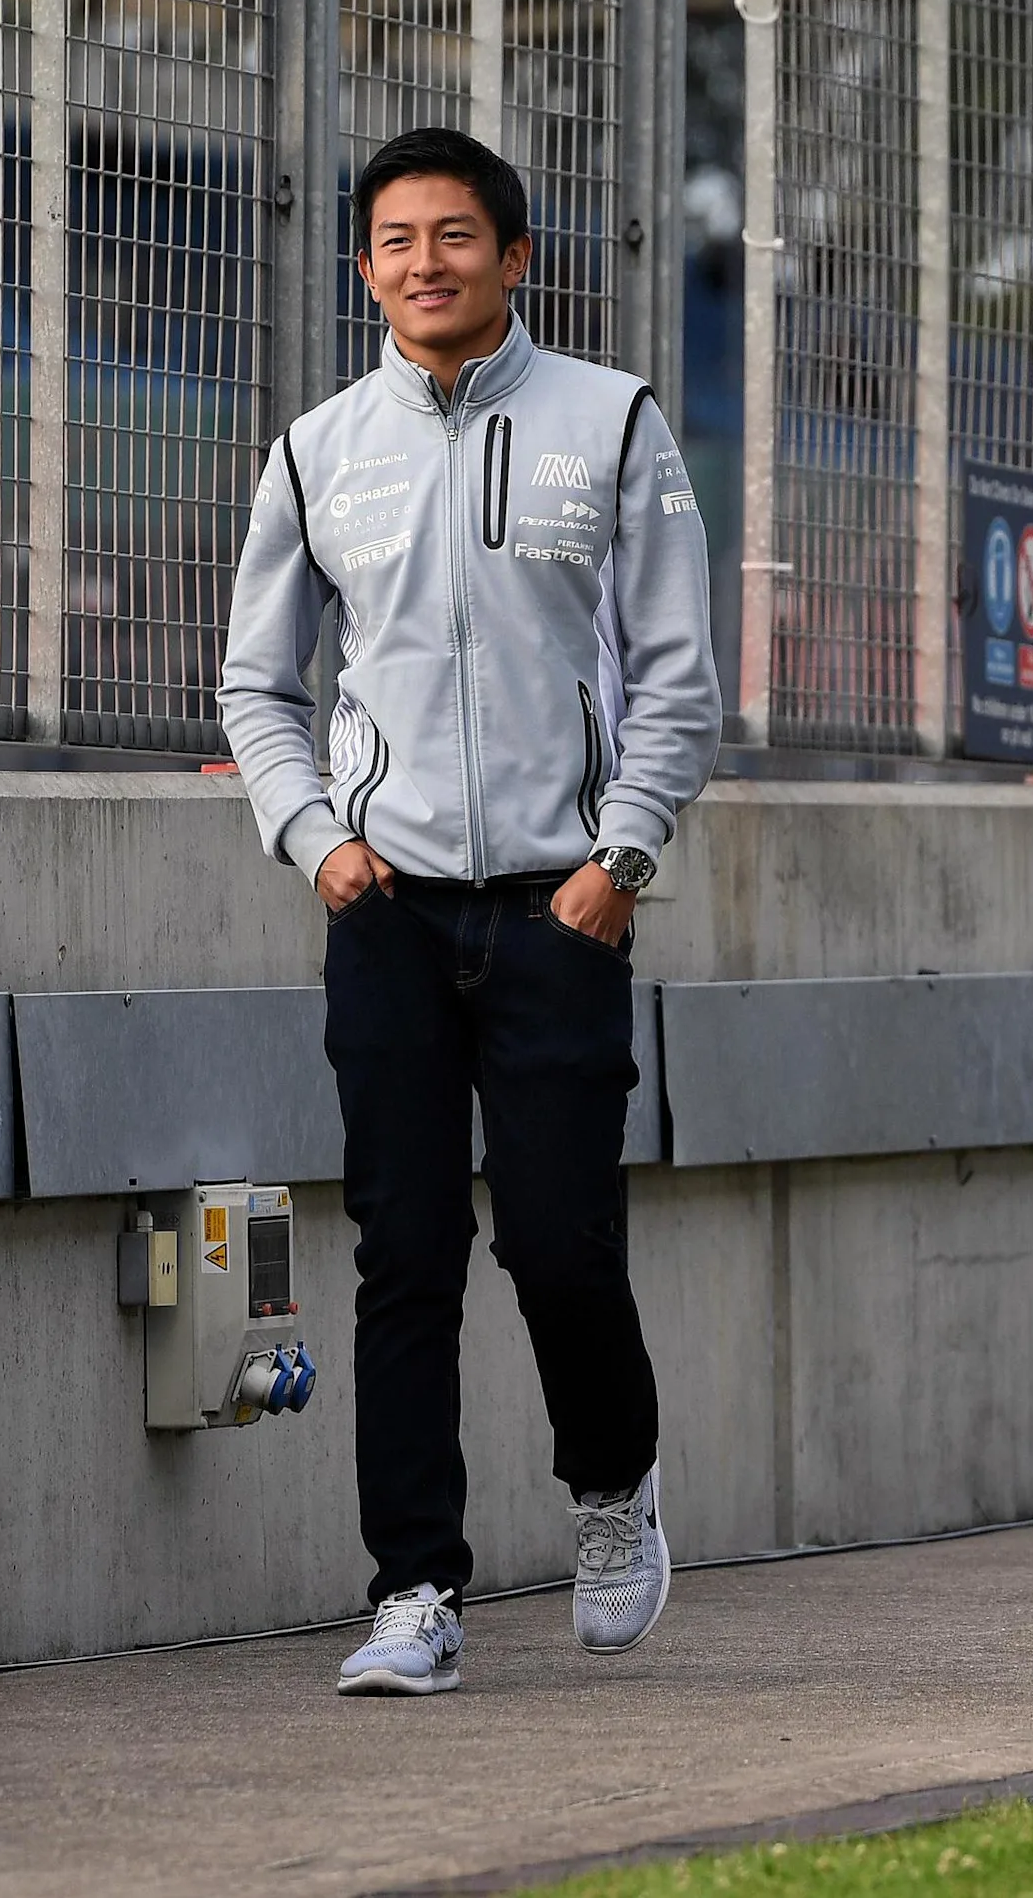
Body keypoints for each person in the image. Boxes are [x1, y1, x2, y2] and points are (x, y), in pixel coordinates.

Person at [217, 127, 719, 1697]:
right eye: (391, 240)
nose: (420, 261)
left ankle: (612, 1486)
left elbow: (678, 678)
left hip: (561, 912)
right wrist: (315, 840)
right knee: (404, 1255)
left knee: (563, 1246)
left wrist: (616, 863)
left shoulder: (613, 424)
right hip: (387, 911)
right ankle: (413, 1592)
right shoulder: (318, 448)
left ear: (515, 257)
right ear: (364, 267)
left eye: (452, 235)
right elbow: (257, 680)